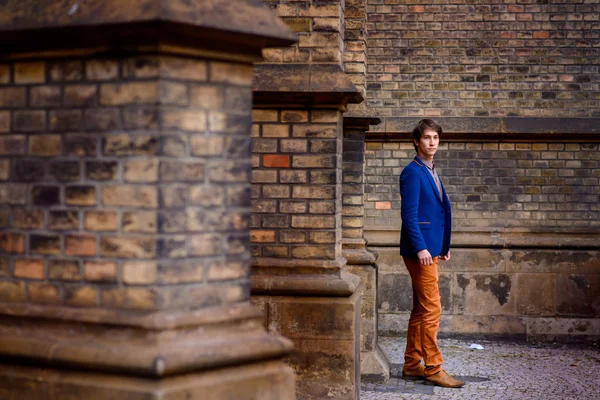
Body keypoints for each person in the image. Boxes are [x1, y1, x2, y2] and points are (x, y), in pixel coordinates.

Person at [399, 119, 464, 388]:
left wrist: (442, 246)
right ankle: (434, 367)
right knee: (432, 308)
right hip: (420, 251)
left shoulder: (432, 169)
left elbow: (437, 212)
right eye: (427, 137)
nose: (432, 142)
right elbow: (409, 216)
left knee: (420, 309)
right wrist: (423, 247)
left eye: (435, 137)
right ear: (417, 141)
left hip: (431, 248)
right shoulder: (412, 172)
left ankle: (412, 364)